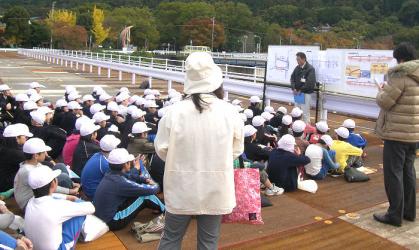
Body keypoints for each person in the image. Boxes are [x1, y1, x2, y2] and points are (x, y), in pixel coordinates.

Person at [155, 52, 244, 249]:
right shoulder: (229, 111)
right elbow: (236, 150)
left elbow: (162, 150)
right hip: (216, 186)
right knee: (209, 242)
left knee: (171, 238)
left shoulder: (174, 112)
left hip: (181, 186)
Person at [373, 42, 419, 227]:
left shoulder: (399, 76)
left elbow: (385, 102)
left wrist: (380, 91)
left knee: (394, 174)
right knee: (409, 171)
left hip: (396, 133)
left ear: (400, 58)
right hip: (414, 133)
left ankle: (394, 215)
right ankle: (409, 212)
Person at [24, 165, 95, 250]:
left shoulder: (30, 202)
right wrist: (76, 200)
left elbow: (52, 196)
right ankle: (81, 238)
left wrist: (67, 197)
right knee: (81, 209)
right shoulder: (57, 206)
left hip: (34, 246)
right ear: (53, 183)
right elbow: (91, 208)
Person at [93, 148, 164, 230]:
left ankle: (160, 207)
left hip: (102, 217)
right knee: (145, 197)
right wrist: (156, 185)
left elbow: (129, 176)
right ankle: (166, 210)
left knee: (138, 193)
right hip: (112, 221)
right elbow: (152, 190)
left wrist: (145, 180)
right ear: (125, 164)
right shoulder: (119, 182)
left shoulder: (110, 173)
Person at [14, 138, 78, 210]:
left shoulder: (33, 164)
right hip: (30, 203)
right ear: (36, 156)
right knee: (63, 177)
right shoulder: (28, 171)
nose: (46, 154)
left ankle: (72, 187)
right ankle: (73, 191)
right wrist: (70, 191)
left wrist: (72, 184)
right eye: (44, 152)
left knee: (60, 166)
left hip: (38, 193)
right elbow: (49, 186)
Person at [81, 134, 120, 200]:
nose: (117, 147)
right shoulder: (105, 163)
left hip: (86, 189)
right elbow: (117, 180)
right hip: (92, 193)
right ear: (113, 148)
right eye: (116, 146)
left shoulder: (97, 155)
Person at [0, 124, 32, 193]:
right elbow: (35, 161)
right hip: (6, 185)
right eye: (25, 137)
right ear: (17, 138)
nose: (27, 138)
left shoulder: (4, 148)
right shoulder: (15, 153)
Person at [290, 52, 316, 123]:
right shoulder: (297, 68)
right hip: (298, 93)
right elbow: (292, 78)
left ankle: (306, 128)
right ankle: (297, 127)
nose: (297, 61)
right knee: (296, 111)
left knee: (305, 112)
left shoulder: (310, 69)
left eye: (298, 59)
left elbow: (310, 83)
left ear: (303, 59)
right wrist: (293, 88)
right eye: (296, 59)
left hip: (305, 93)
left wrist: (301, 90)